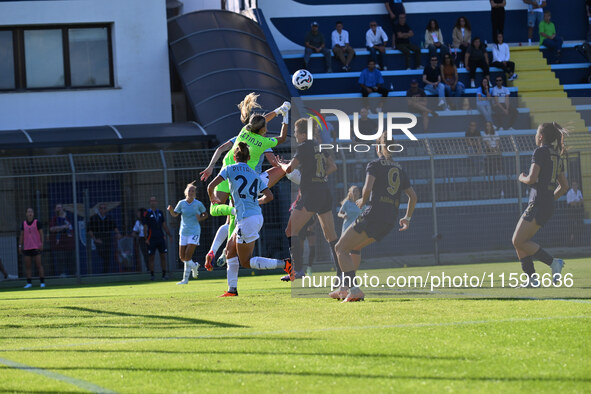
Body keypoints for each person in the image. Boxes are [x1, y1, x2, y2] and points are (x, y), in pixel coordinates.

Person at [199, 93, 289, 271]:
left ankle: (216, 252)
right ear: (263, 130)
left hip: (228, 173)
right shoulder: (263, 141)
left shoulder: (243, 132)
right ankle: (295, 171)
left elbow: (260, 121)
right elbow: (281, 141)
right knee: (282, 169)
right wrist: (284, 115)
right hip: (249, 182)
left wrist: (278, 111)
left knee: (219, 213)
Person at [331, 132, 417, 302]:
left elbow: (368, 188)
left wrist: (362, 201)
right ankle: (343, 289)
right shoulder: (400, 169)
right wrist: (407, 218)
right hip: (389, 220)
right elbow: (413, 197)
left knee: (340, 248)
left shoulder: (374, 165)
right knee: (352, 248)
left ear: (378, 148)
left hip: (374, 214)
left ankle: (354, 290)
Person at [207, 143, 290, 296]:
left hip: (246, 220)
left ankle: (286, 264)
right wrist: (256, 202)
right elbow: (269, 196)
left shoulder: (229, 169)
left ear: (233, 157)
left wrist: (213, 198)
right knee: (229, 251)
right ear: (249, 157)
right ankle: (232, 289)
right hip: (255, 216)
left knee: (245, 261)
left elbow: (210, 186)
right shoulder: (253, 173)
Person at [279, 118, 340, 281]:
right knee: (331, 237)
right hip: (324, 192)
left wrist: (281, 165)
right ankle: (342, 274)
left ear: (304, 134)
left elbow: (290, 168)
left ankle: (296, 271)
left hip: (310, 194)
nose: (295, 135)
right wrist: (319, 176)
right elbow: (333, 167)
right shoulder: (319, 147)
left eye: (296, 132)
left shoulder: (304, 146)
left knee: (290, 231)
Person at [512, 122, 568, 286]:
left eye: (537, 133)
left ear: (541, 136)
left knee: (518, 241)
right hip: (547, 204)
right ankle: (531, 279)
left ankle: (553, 263)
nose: (536, 136)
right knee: (521, 242)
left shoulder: (540, 152)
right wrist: (550, 199)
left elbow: (531, 179)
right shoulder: (556, 156)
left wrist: (521, 177)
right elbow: (564, 186)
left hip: (537, 203)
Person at [167, 182, 208, 285]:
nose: (190, 192)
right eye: (189, 190)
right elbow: (175, 214)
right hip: (184, 232)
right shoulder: (181, 203)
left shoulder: (198, 204)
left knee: (188, 256)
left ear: (195, 193)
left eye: (192, 190)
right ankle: (195, 266)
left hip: (194, 232)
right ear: (186, 192)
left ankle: (185, 280)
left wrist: (201, 218)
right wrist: (171, 211)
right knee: (182, 257)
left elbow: (205, 214)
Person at [143, 196, 173, 281]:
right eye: (151, 201)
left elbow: (164, 225)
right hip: (151, 238)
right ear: (149, 202)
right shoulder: (147, 213)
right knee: (151, 257)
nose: (153, 202)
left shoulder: (160, 212)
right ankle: (152, 275)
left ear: (157, 202)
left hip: (160, 237)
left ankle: (164, 274)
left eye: (154, 201)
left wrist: (169, 235)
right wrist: (146, 238)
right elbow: (145, 227)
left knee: (163, 256)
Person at [88, 203, 121, 274]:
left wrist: (118, 233)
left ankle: (106, 273)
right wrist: (95, 239)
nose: (103, 210)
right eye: (101, 208)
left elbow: (114, 227)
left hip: (108, 239)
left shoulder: (109, 218)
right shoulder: (94, 218)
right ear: (99, 209)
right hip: (99, 239)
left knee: (108, 256)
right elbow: (89, 230)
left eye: (104, 208)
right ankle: (96, 272)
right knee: (101, 254)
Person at [19, 208, 45, 289]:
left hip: (36, 247)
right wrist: (20, 246)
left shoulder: (37, 223)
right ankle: (29, 283)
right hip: (27, 247)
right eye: (28, 212)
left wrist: (41, 243)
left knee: (39, 265)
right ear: (26, 214)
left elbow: (41, 234)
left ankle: (42, 282)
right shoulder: (23, 224)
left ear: (33, 214)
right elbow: (22, 235)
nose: (30, 213)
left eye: (31, 212)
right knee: (28, 266)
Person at [49, 203, 75, 277]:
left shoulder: (68, 217)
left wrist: (61, 227)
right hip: (59, 243)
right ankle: (62, 273)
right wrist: (63, 227)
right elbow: (52, 229)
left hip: (69, 243)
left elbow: (70, 227)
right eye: (57, 208)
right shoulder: (54, 219)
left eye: (60, 207)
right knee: (61, 259)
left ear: (63, 208)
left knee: (71, 259)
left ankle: (74, 274)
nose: (59, 209)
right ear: (55, 209)